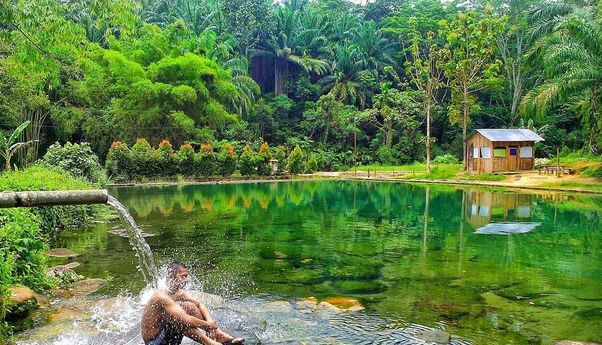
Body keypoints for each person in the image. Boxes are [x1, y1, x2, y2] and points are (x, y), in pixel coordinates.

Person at [141, 261, 244, 345]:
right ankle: (210, 343)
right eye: (183, 276)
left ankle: (218, 335)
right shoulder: (161, 296)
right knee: (174, 318)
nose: (186, 280)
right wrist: (207, 324)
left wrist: (210, 322)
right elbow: (185, 319)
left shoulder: (179, 293)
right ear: (171, 276)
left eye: (186, 277)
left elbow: (199, 304)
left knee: (189, 305)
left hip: (170, 339)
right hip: (155, 342)